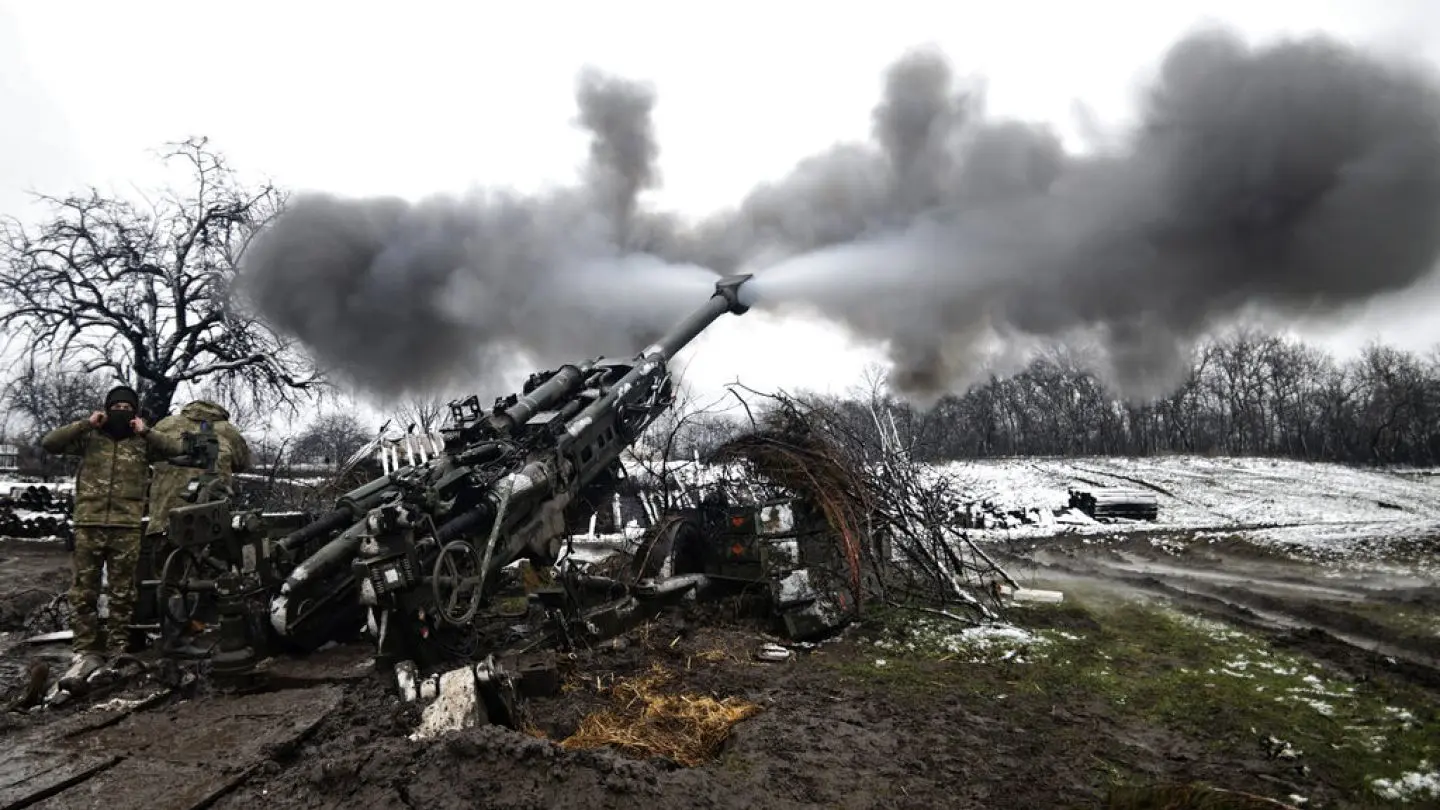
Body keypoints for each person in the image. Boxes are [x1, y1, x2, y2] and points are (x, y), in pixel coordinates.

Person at [41, 385, 183, 690]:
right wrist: (85, 423)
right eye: (115, 406)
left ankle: (117, 649)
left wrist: (147, 432)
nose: (120, 411)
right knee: (84, 592)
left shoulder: (142, 442)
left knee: (123, 593)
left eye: (126, 407)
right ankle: (85, 649)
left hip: (126, 526)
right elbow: (49, 443)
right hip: (88, 524)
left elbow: (176, 450)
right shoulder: (90, 437)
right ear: (106, 409)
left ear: (134, 412)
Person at [140, 399, 251, 653]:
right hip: (207, 518)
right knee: (202, 576)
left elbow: (147, 454)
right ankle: (187, 636)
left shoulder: (166, 424)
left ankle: (173, 633)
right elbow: (243, 462)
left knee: (168, 578)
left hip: (164, 516)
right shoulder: (226, 430)